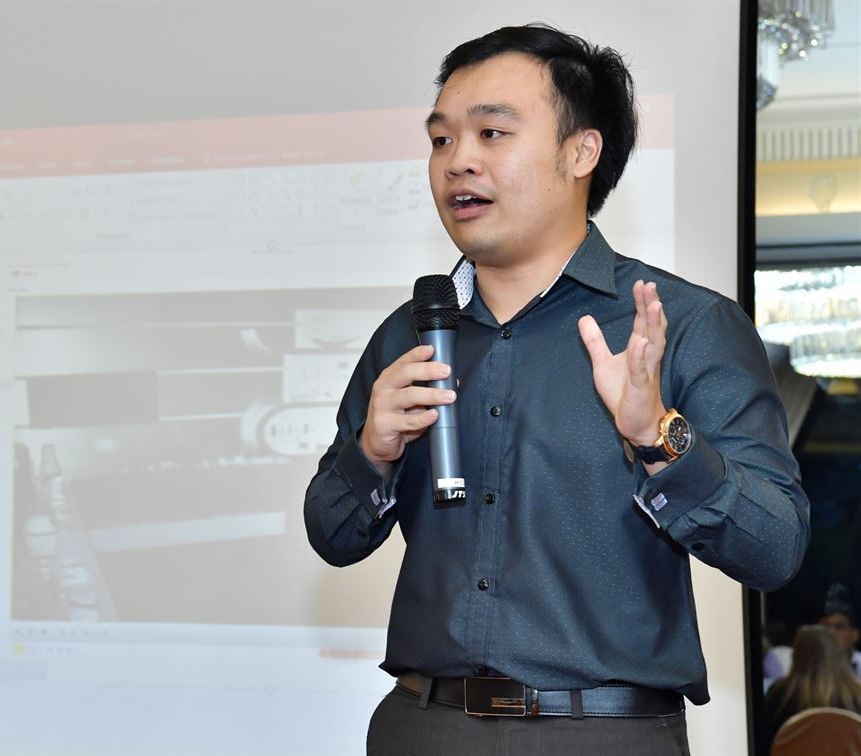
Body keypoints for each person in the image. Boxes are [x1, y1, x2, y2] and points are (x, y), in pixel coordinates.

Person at [303, 24, 810, 755]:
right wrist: (372, 451)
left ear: (581, 152)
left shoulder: (685, 325)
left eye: (492, 133)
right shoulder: (408, 335)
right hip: (422, 726)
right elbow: (333, 536)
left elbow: (775, 548)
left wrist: (659, 436)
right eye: (442, 140)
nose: (458, 161)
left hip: (602, 734)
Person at [762, 625, 861, 748]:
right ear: (838, 655)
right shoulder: (856, 694)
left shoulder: (778, 692)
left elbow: (766, 741)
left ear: (796, 655)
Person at [821, 584, 861, 680]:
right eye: (825, 626)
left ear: (855, 635)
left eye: (839, 626)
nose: (830, 632)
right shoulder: (808, 666)